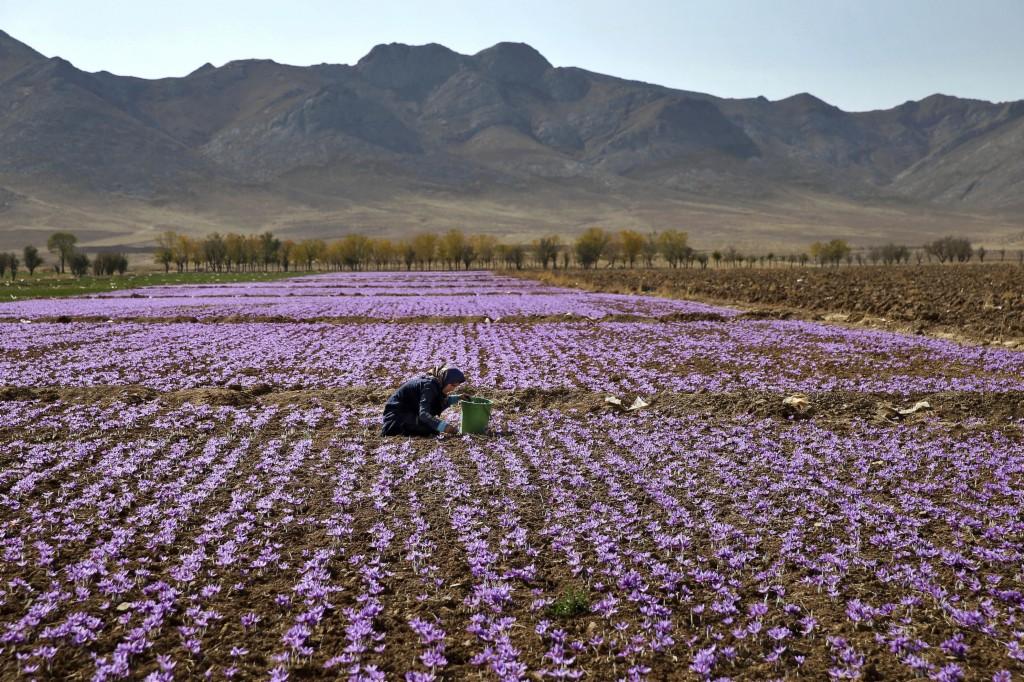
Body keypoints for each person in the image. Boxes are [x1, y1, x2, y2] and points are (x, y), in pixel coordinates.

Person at [381, 365, 470, 436]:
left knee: (432, 428)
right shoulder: (429, 386)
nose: (453, 389)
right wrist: (445, 427)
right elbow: (424, 414)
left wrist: (458, 398)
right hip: (395, 417)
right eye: (452, 385)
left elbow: (436, 403)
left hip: (408, 413)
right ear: (446, 381)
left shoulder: (436, 384)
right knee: (430, 430)